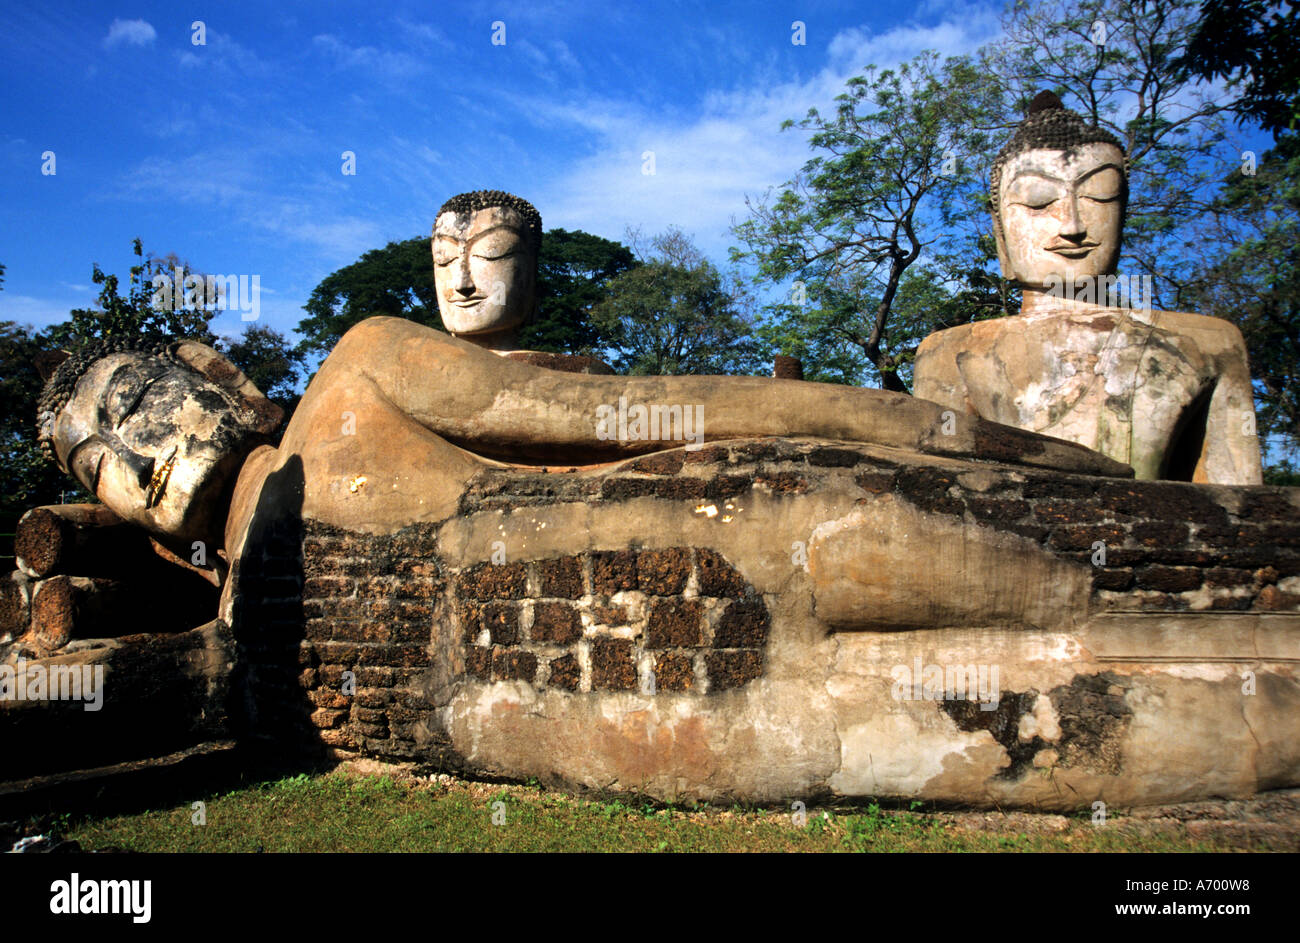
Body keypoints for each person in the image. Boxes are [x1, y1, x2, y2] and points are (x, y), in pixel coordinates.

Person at [913, 91, 1263, 484]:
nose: (1073, 224)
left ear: (1122, 212)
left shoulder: (1208, 343)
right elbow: (940, 491)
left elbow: (1241, 507)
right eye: (1039, 200)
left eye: (1099, 195)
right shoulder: (948, 351)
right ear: (1000, 232)